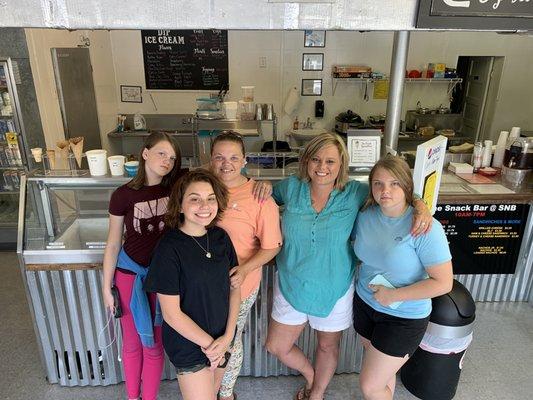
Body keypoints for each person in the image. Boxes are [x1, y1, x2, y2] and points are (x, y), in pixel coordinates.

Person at [265, 133, 432, 400]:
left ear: (342, 163)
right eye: (316, 159)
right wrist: (261, 186)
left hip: (336, 283)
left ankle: (317, 392)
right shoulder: (291, 187)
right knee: (276, 346)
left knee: (327, 347)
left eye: (330, 161)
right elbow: (261, 196)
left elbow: (395, 190)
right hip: (291, 280)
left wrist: (421, 205)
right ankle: (310, 375)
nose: (322, 167)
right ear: (306, 161)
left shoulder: (355, 192)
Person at [352, 155, 453, 400]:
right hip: (366, 304)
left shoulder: (425, 227)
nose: (385, 190)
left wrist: (394, 295)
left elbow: (443, 283)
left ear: (407, 186)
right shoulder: (365, 214)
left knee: (370, 386)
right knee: (383, 376)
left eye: (395, 183)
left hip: (403, 317)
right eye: (378, 183)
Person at [144, 169, 241, 400]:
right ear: (180, 205)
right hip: (189, 344)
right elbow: (171, 314)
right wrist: (211, 346)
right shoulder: (169, 248)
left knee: (213, 393)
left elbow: (235, 288)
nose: (204, 205)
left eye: (210, 198)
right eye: (194, 199)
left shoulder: (221, 238)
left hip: (222, 337)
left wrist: (227, 337)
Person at [102, 131, 182, 400]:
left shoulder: (176, 189)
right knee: (133, 343)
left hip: (162, 278)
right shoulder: (122, 195)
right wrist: (106, 288)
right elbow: (113, 243)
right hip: (129, 275)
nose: (167, 161)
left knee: (154, 343)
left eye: (172, 157)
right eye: (161, 153)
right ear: (145, 153)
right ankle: (131, 397)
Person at [209, 131, 283, 400]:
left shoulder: (259, 196)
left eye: (232, 157)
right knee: (206, 338)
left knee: (229, 338)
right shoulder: (202, 187)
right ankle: (205, 388)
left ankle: (225, 393)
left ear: (244, 160)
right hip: (200, 285)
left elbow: (272, 246)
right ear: (210, 159)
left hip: (239, 284)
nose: (225, 163)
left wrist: (244, 269)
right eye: (219, 157)